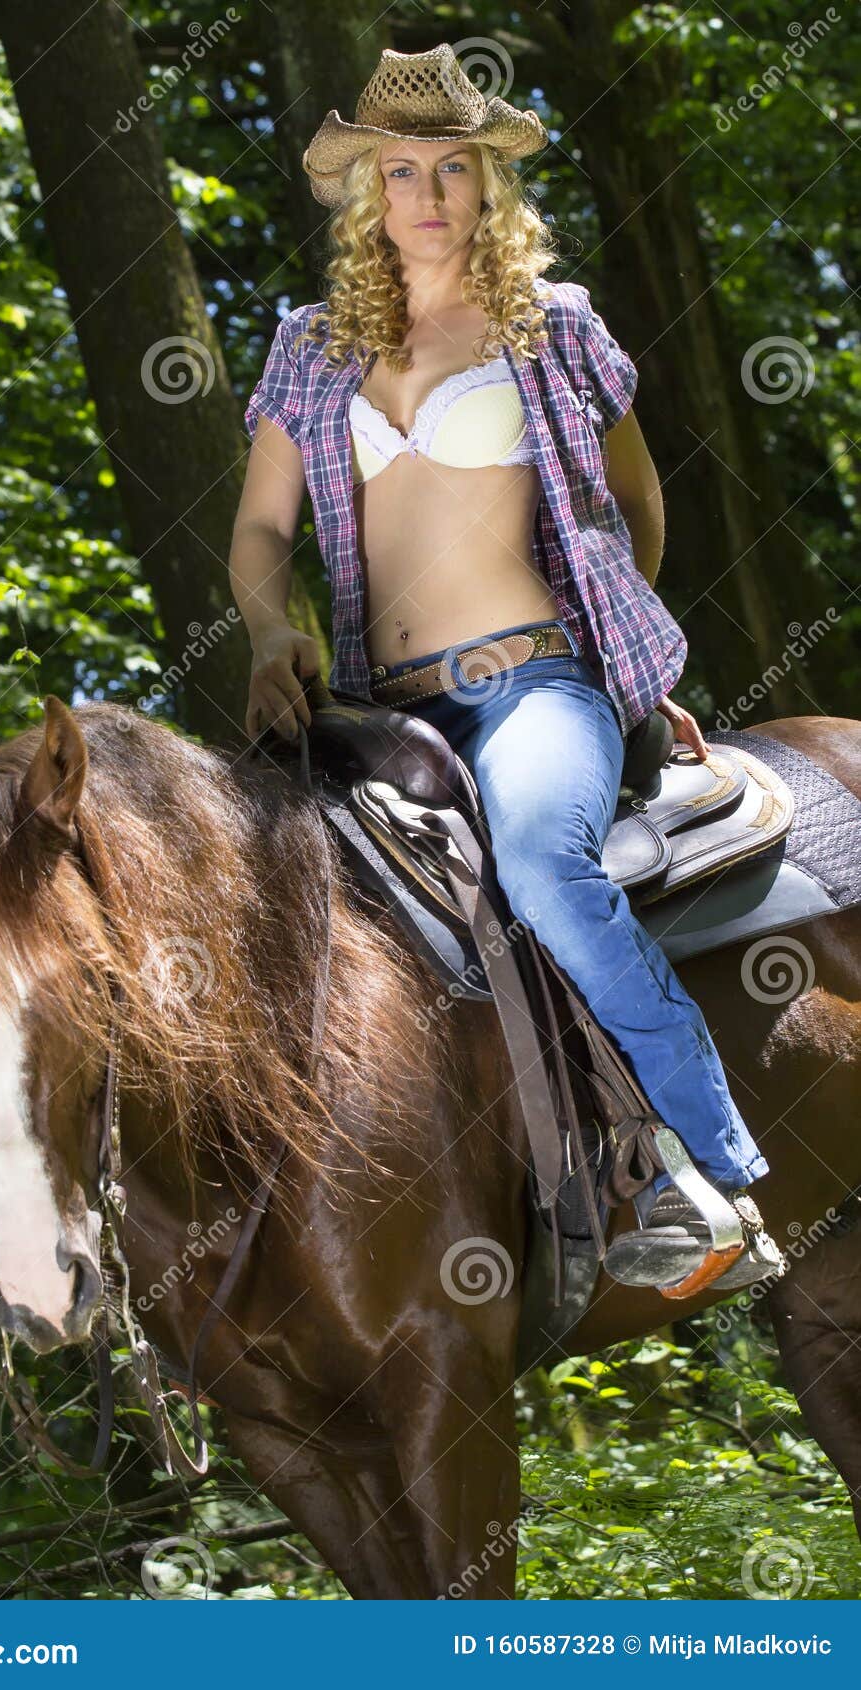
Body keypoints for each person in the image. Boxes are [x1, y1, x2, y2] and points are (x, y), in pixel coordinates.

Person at [229, 43, 783, 1296]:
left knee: (539, 863)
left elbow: (635, 502)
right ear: (370, 190)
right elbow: (262, 529)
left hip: (535, 682)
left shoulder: (554, 328)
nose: (426, 193)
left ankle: (704, 1171)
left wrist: (622, 656)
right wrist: (271, 628)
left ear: (488, 186)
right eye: (402, 170)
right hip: (382, 715)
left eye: (452, 169)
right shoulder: (309, 349)